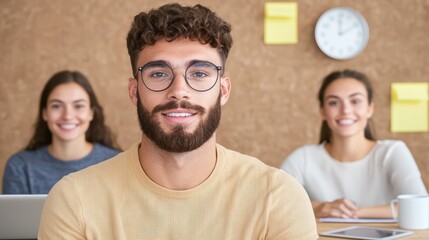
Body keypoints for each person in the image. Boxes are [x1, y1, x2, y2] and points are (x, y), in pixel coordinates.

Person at [38, 3, 318, 239]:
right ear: (134, 91)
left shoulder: (277, 197)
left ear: (223, 90)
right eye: (158, 74)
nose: (179, 91)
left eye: (199, 73)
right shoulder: (74, 199)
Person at [281, 69, 428, 219]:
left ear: (370, 108)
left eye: (355, 101)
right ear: (323, 112)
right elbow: (276, 205)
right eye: (334, 102)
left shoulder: (392, 152)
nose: (345, 110)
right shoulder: (302, 158)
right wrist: (318, 207)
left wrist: (352, 212)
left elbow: (421, 208)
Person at [2, 70, 121, 194]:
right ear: (44, 113)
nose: (67, 116)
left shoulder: (117, 163)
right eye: (57, 106)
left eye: (78, 106)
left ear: (91, 113)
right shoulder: (20, 167)